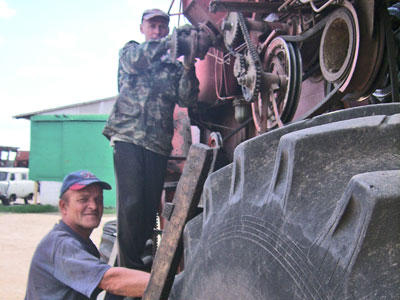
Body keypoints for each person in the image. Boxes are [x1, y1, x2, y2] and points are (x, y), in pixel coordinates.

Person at [102, 9, 199, 272]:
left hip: (157, 144)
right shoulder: (131, 52)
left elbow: (187, 100)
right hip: (129, 138)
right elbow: (135, 61)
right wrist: (174, 43)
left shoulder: (175, 68)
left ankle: (139, 272)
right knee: (130, 207)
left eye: (162, 27)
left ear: (166, 29)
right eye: (152, 26)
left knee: (147, 211)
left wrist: (189, 65)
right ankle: (126, 274)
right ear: (142, 28)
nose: (157, 31)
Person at [25, 170, 150, 300]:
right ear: (64, 207)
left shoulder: (84, 244)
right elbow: (110, 280)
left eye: (98, 199)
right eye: (83, 199)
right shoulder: (61, 244)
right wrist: (169, 284)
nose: (94, 206)